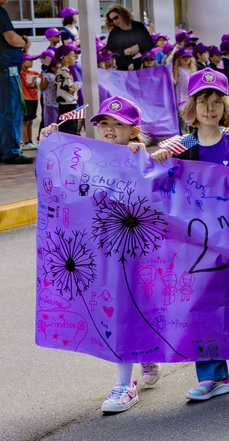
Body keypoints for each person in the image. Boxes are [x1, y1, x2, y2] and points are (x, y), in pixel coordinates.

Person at [151, 69, 229, 401]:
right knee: (201, 303)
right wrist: (157, 161)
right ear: (192, 107)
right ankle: (215, 376)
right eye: (203, 101)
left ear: (225, 107)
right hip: (196, 243)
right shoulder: (179, 147)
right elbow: (156, 182)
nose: (210, 108)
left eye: (216, 101)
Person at [40, 96, 157, 412]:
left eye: (117, 124)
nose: (108, 129)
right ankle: (136, 364)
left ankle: (124, 383)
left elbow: (154, 190)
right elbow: (59, 183)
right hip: (100, 252)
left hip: (134, 252)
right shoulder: (88, 160)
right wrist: (51, 141)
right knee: (120, 310)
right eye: (104, 123)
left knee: (130, 309)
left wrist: (141, 157)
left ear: (132, 131)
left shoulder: (139, 155)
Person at [0, 0, 33, 163]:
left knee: (3, 111)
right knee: (11, 111)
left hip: (2, 69)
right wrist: (25, 43)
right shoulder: (0, 12)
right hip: (6, 69)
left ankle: (3, 150)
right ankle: (11, 152)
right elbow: (12, 39)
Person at [104, 5, 154, 71]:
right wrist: (123, 52)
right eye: (112, 20)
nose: (114, 21)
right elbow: (109, 52)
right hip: (123, 69)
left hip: (141, 67)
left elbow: (150, 43)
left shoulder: (139, 26)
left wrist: (138, 46)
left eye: (116, 18)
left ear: (123, 14)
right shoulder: (114, 33)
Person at [54, 42, 81, 134]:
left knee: (72, 126)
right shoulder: (63, 73)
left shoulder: (64, 72)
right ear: (65, 58)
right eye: (73, 55)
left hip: (69, 104)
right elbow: (70, 89)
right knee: (70, 128)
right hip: (68, 105)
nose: (75, 57)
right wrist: (80, 84)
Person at [19, 52, 40, 151]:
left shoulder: (34, 73)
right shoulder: (20, 73)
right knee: (25, 121)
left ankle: (30, 141)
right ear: (22, 62)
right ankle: (25, 141)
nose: (31, 62)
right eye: (29, 60)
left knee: (30, 121)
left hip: (34, 99)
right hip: (25, 99)